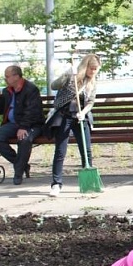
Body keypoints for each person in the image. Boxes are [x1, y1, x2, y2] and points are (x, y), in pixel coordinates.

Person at [47, 54, 101, 197]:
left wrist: (83, 112)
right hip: (64, 116)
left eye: (96, 69)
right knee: (60, 151)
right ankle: (56, 184)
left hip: (80, 118)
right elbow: (54, 86)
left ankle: (89, 183)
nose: (93, 72)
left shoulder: (92, 83)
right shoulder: (72, 77)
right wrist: (66, 74)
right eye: (92, 69)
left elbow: (91, 102)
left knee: (86, 150)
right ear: (85, 66)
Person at [0, 65, 44, 185]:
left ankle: (18, 173)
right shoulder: (7, 91)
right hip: (12, 124)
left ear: (16, 76)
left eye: (7, 76)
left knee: (24, 139)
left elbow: (33, 111)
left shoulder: (31, 89)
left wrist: (23, 127)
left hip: (32, 124)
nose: (5, 79)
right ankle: (21, 164)